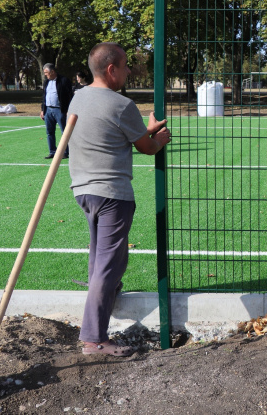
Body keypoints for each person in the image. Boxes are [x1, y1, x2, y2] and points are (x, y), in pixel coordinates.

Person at [68, 42, 171, 356]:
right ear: (111, 69)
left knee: (102, 256)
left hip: (83, 190)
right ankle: (94, 338)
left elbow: (126, 133)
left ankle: (105, 297)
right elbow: (146, 147)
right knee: (109, 263)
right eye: (126, 66)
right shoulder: (120, 104)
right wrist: (160, 138)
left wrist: (146, 130)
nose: (128, 71)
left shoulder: (77, 97)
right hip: (113, 193)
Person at [40, 63, 74, 159]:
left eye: (46, 73)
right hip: (48, 110)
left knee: (64, 132)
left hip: (60, 110)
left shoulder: (64, 80)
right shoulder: (46, 82)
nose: (45, 75)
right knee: (49, 132)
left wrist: (68, 109)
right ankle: (52, 152)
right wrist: (43, 109)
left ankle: (65, 152)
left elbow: (69, 96)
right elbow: (44, 97)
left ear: (52, 71)